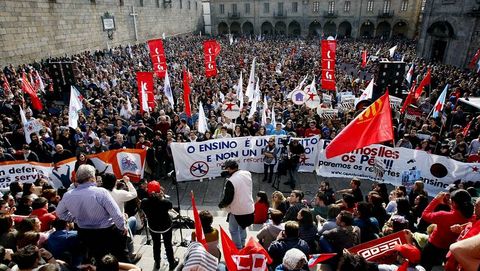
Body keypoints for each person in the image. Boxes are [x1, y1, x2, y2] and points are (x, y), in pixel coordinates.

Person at [56, 164, 129, 263]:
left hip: (84, 234)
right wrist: (122, 227)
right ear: (92, 178)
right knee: (120, 258)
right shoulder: (101, 192)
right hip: (106, 233)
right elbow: (116, 214)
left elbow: (59, 213)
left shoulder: (68, 195)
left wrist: (76, 219)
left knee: (96, 259)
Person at [420, 189, 474, 271]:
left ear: (454, 203)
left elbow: (425, 214)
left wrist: (436, 200)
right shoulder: (472, 218)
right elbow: (459, 213)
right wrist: (451, 205)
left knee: (424, 267)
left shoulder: (443, 215)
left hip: (432, 247)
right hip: (448, 250)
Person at [140, 181, 179, 270]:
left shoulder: (144, 202)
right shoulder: (165, 202)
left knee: (156, 245)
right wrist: (162, 196)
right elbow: (170, 206)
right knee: (168, 245)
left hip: (153, 227)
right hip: (165, 227)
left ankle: (157, 262)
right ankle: (171, 263)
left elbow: (143, 207)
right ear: (159, 191)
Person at [218, 160, 255, 249]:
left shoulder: (230, 181)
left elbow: (228, 199)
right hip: (249, 207)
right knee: (243, 227)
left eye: (226, 168)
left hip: (237, 210)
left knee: (233, 230)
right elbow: (240, 180)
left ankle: (238, 248)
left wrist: (221, 205)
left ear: (229, 169)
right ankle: (242, 243)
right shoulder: (247, 173)